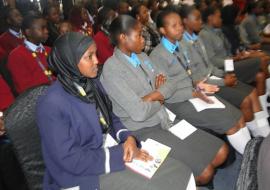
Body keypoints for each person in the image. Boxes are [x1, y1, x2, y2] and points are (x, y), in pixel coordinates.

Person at [36, 32, 195, 190]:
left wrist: (128, 138)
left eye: (95, 55)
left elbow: (110, 117)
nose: (97, 61)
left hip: (108, 151)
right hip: (81, 174)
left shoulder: (91, 83)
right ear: (69, 61)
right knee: (162, 185)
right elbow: (69, 160)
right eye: (89, 57)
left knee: (177, 173)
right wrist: (120, 154)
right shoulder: (51, 104)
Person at [101, 15, 229, 185]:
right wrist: (160, 97)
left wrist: (153, 95)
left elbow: (171, 83)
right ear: (123, 37)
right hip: (143, 129)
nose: (143, 39)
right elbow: (139, 113)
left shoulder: (142, 57)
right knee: (204, 172)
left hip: (164, 117)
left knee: (221, 151)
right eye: (139, 35)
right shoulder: (112, 70)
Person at [150, 9, 255, 154]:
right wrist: (194, 92)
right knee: (229, 123)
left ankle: (253, 155)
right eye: (174, 26)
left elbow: (190, 74)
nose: (180, 28)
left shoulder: (180, 45)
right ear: (162, 30)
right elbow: (166, 93)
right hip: (178, 101)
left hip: (195, 92)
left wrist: (198, 85)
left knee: (237, 116)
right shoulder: (157, 56)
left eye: (180, 24)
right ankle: (252, 161)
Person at [180, 5, 270, 138]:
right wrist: (225, 77)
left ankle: (265, 133)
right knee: (245, 100)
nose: (201, 21)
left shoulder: (196, 38)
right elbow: (198, 77)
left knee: (252, 92)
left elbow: (209, 66)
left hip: (216, 74)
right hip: (206, 83)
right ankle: (259, 137)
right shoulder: (184, 44)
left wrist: (225, 75)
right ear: (186, 21)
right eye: (197, 18)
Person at [199, 6, 267, 97]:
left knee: (260, 75)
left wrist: (238, 56)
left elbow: (229, 50)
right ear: (210, 18)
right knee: (262, 60)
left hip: (231, 61)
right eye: (218, 17)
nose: (221, 19)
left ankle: (264, 103)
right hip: (224, 67)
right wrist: (234, 59)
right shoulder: (204, 35)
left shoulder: (217, 31)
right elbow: (213, 61)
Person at [7, 14, 54, 94]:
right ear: (28, 32)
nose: (46, 31)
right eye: (42, 28)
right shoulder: (16, 55)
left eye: (46, 28)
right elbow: (26, 89)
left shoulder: (49, 50)